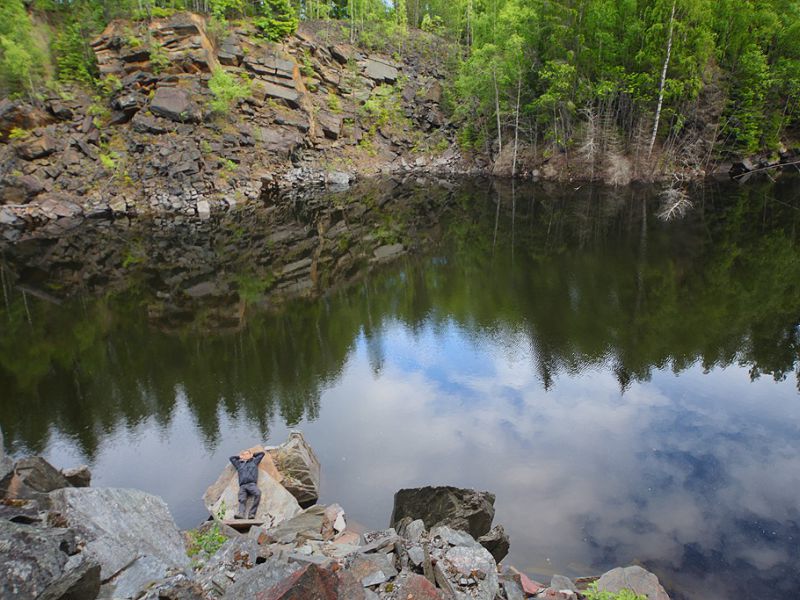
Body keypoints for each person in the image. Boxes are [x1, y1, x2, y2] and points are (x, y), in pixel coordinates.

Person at [229, 449, 265, 519]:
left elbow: (262, 454)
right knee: (242, 499)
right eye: (244, 454)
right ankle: (241, 514)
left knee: (258, 493)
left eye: (247, 454)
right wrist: (240, 457)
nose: (245, 455)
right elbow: (231, 458)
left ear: (250, 455)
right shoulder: (239, 464)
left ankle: (252, 513)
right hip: (242, 486)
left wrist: (253, 455)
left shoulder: (254, 462)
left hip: (252, 484)